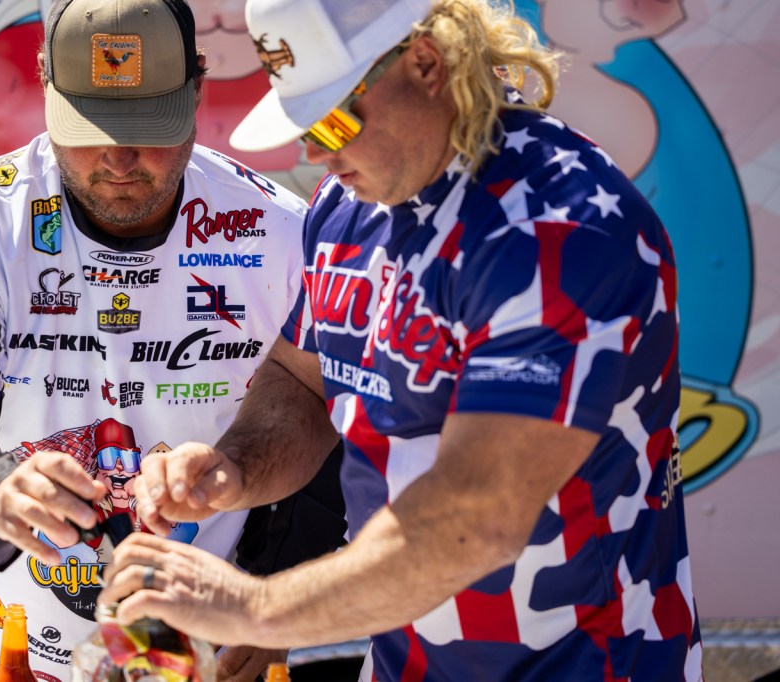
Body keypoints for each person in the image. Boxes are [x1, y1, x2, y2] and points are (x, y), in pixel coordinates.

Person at [98, 0, 704, 680]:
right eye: (303, 126)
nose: (315, 154)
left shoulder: (557, 230)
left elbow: (479, 513)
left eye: (333, 120)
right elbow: (306, 379)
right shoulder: (350, 203)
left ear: (426, 63)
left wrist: (255, 607)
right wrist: (234, 467)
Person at [0, 0, 347, 680]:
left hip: (205, 645)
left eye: (147, 126)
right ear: (45, 84)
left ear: (197, 89)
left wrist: (279, 594)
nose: (119, 158)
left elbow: (331, 420)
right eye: (89, 126)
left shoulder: (282, 235)